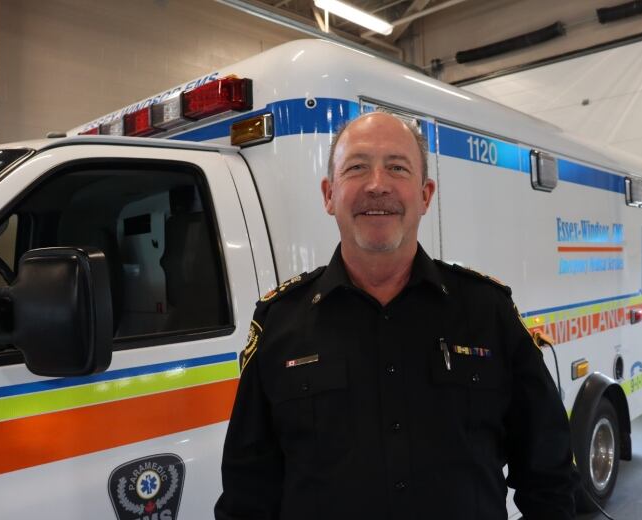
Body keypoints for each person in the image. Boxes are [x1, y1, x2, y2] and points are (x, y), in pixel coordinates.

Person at [214, 112, 576, 519]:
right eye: (356, 168)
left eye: (397, 168)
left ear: (425, 195)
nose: (377, 185)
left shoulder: (488, 312)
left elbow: (548, 472)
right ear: (329, 194)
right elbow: (248, 492)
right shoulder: (279, 322)